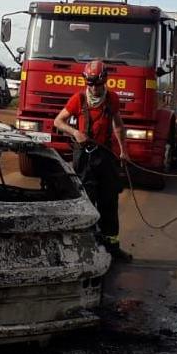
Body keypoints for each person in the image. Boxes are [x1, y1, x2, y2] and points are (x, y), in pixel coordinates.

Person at [52, 60, 132, 263]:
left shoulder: (112, 99)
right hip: (84, 158)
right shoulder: (78, 99)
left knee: (109, 203)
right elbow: (58, 121)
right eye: (91, 84)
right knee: (87, 202)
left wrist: (123, 151)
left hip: (105, 158)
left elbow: (119, 126)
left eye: (98, 84)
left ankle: (112, 247)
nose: (94, 88)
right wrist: (75, 132)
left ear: (105, 81)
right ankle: (85, 249)